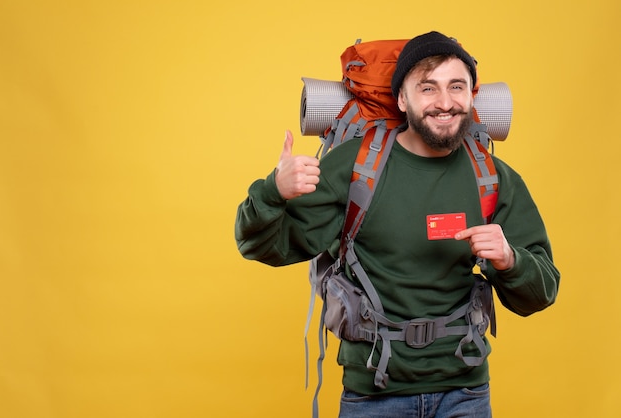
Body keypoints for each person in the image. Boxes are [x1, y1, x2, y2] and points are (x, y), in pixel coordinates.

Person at [234, 31, 560, 418]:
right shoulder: (357, 168)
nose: (444, 103)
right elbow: (260, 246)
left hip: (465, 392)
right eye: (428, 88)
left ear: (472, 96)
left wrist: (510, 259)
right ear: (402, 99)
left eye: (457, 86)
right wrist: (273, 191)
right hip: (373, 394)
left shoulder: (490, 177)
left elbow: (543, 290)